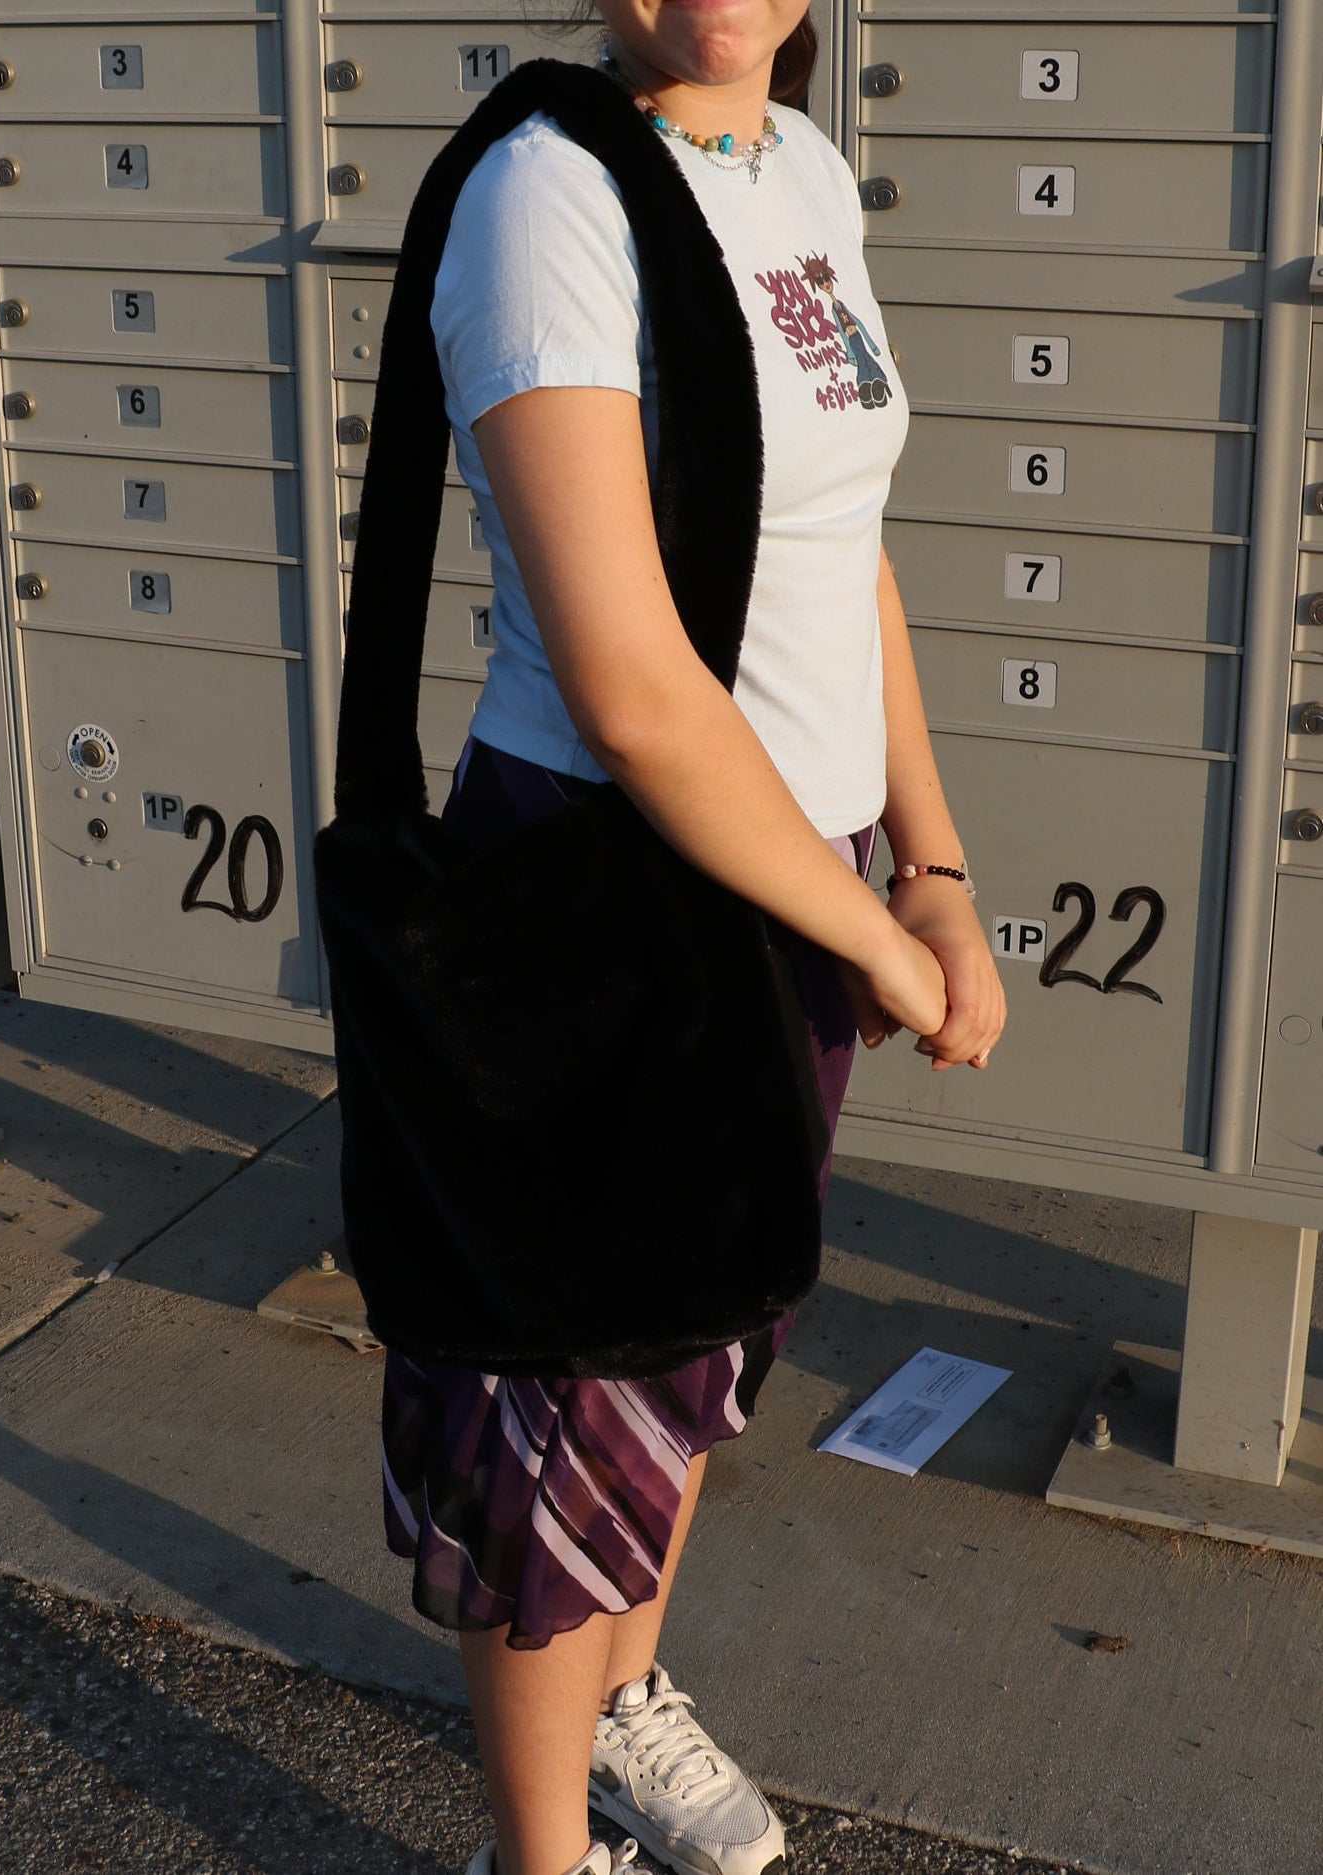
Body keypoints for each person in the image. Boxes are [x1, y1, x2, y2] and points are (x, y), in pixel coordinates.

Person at [379, 5, 1007, 1874]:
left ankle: (626, 1703)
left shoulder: (801, 169)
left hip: (792, 884)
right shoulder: (547, 196)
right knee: (561, 1402)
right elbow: (635, 690)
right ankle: (537, 1855)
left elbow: (846, 549)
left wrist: (929, 862)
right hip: (608, 888)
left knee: (699, 1351)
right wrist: (869, 934)